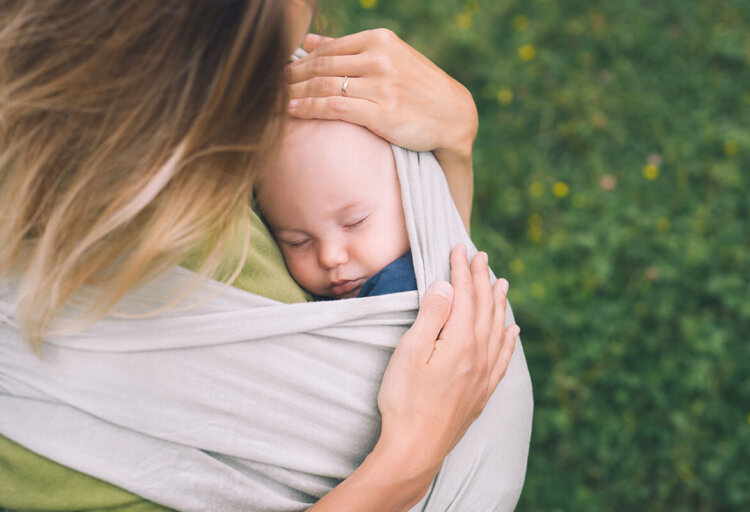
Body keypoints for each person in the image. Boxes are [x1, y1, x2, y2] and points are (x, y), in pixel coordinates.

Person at [0, 1, 532, 511]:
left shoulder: (269, 113)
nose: (330, 257)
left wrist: (450, 150)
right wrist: (406, 464)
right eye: (295, 240)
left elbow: (432, 285)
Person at [256, 119, 418, 300]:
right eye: (298, 242)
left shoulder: (399, 286)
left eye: (354, 222)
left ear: (410, 194)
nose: (329, 257)